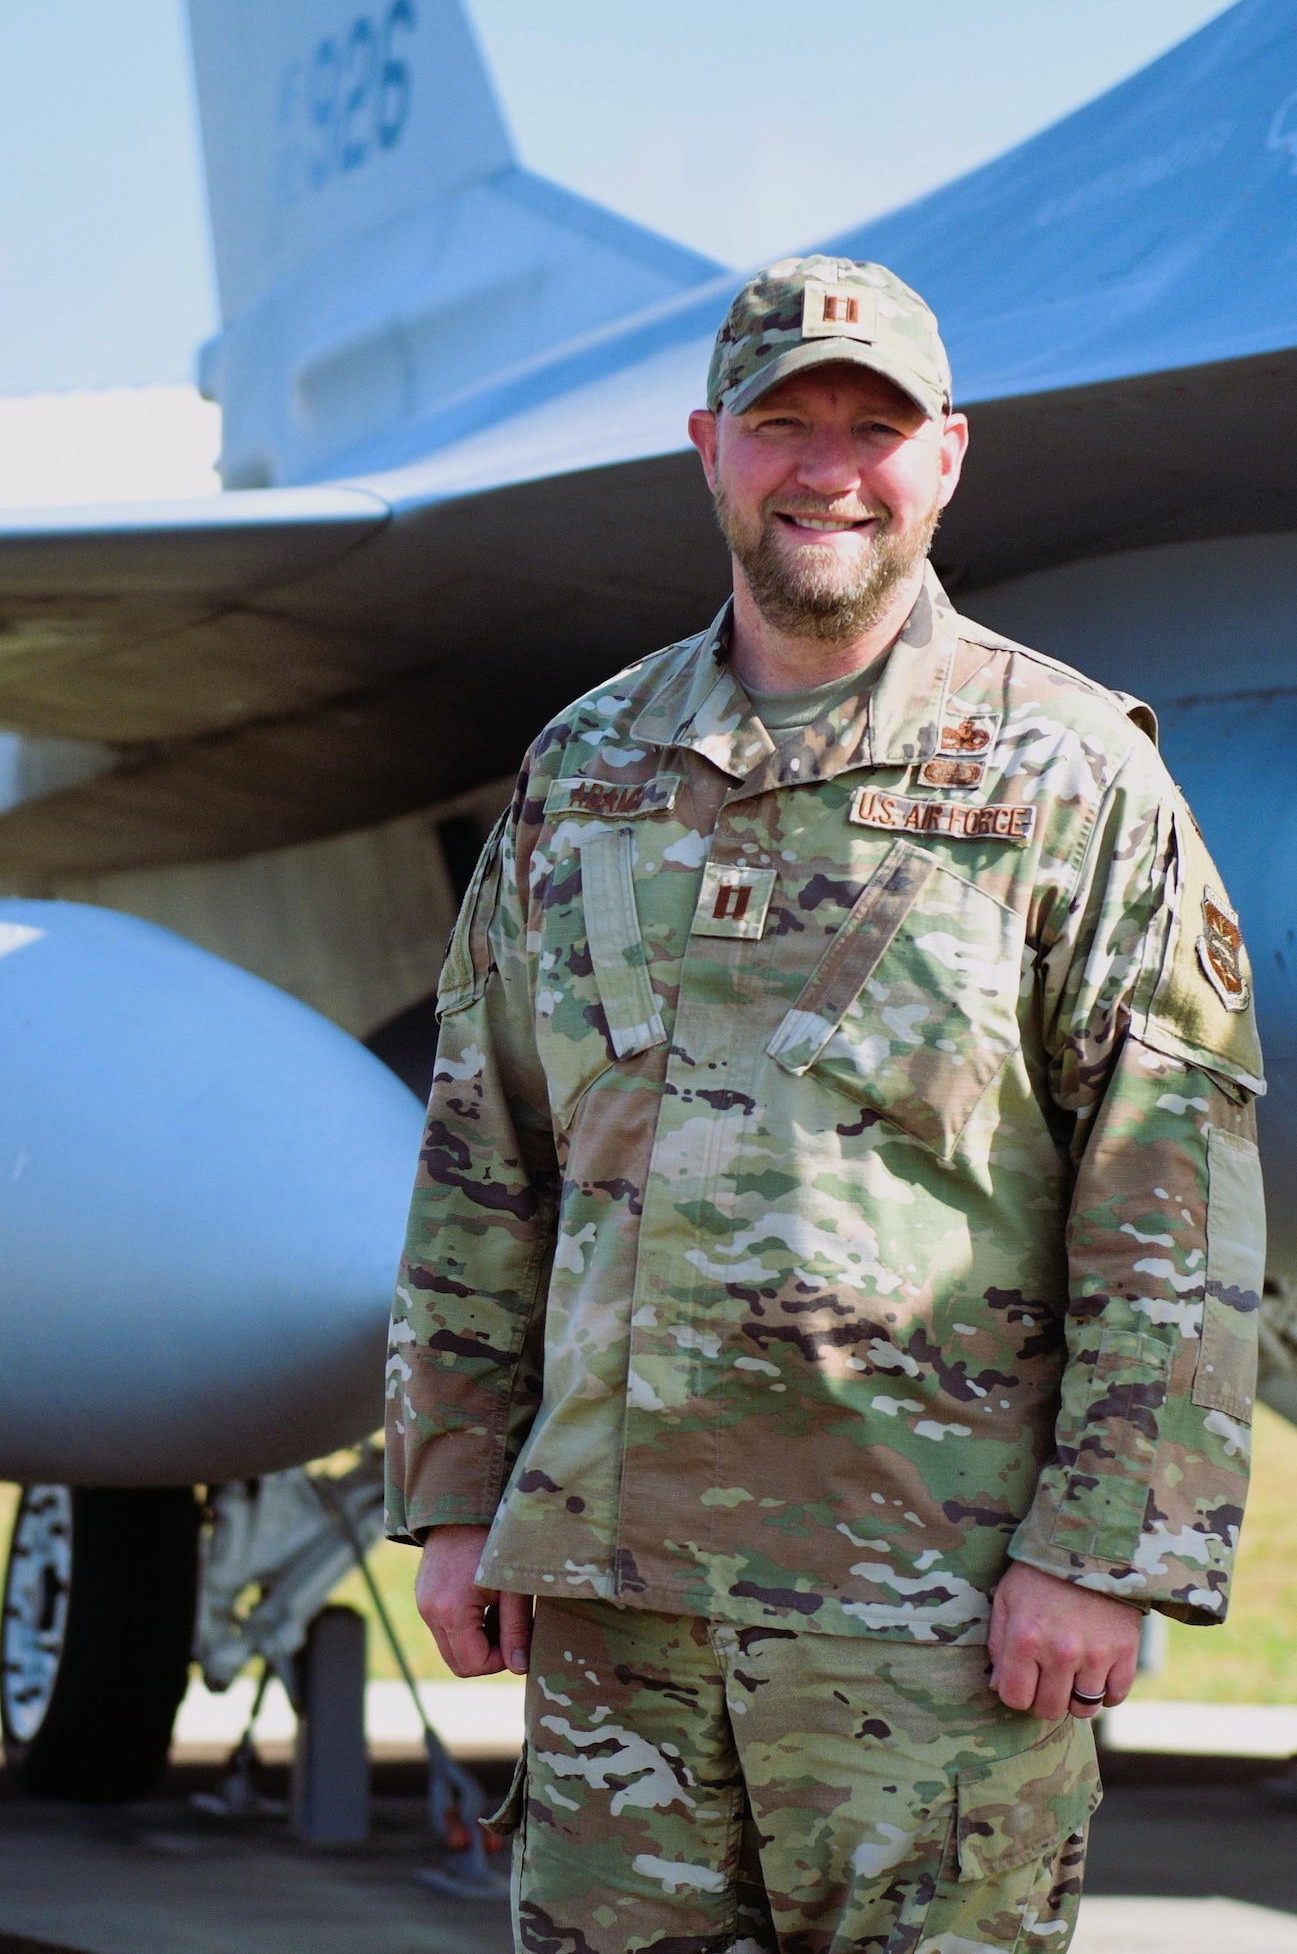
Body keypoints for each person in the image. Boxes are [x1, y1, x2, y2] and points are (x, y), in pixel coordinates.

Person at [385, 255, 1266, 1953]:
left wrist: (1097, 1554)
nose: (827, 467)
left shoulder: (1070, 775)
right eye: (784, 423)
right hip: (611, 1623)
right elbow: (480, 1157)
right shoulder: (585, 771)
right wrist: (450, 1497)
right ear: (711, 447)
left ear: (946, 457)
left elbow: (1167, 1199)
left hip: (927, 1626)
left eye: (874, 428)